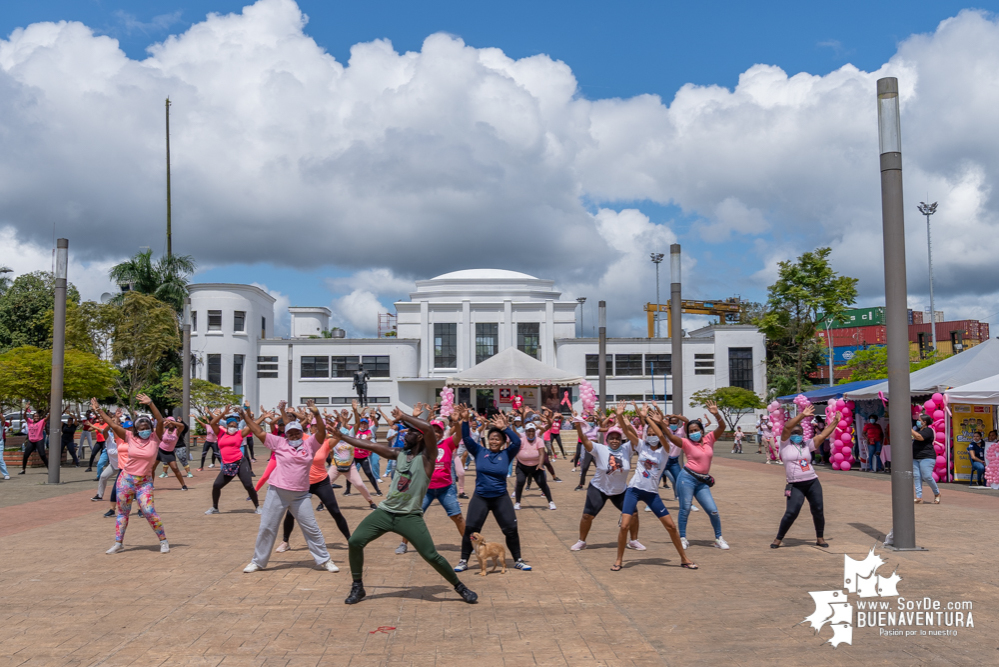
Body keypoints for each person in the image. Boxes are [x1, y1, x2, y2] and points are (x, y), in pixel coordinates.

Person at [339, 407, 478, 605]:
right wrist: (342, 437)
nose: (406, 433)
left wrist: (405, 416)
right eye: (406, 430)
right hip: (385, 512)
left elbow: (429, 430)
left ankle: (459, 587)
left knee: (431, 555)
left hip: (409, 516)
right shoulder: (399, 453)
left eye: (411, 432)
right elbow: (368, 444)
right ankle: (357, 586)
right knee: (355, 542)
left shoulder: (428, 457)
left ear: (420, 437)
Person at [240, 402, 339, 573]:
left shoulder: (310, 445)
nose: (293, 435)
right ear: (285, 434)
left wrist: (316, 414)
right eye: (290, 433)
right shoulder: (279, 443)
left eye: (297, 432)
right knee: (267, 527)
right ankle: (258, 561)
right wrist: (247, 418)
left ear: (302, 433)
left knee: (311, 528)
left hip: (301, 495)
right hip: (277, 492)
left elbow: (322, 432)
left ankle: (324, 560)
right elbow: (258, 431)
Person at [612, 405, 696, 571]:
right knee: (624, 526)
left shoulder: (665, 450)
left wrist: (650, 420)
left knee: (671, 527)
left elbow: (661, 435)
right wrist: (620, 417)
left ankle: (684, 558)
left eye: (653, 434)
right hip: (634, 490)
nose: (651, 437)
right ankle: (619, 560)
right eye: (648, 434)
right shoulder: (641, 445)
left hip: (651, 494)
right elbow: (626, 432)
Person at [454, 411, 532, 573]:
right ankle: (463, 560)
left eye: (497, 438)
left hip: (500, 498)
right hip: (480, 497)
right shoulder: (480, 451)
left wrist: (506, 428)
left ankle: (518, 559)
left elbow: (517, 442)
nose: (493, 441)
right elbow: (467, 439)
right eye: (491, 438)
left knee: (510, 529)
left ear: (503, 442)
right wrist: (465, 421)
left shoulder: (506, 453)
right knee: (471, 530)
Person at [91, 395, 170, 554]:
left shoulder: (155, 437)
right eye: (141, 428)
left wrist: (151, 403)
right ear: (135, 429)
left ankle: (163, 541)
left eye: (147, 426)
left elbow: (160, 421)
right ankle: (118, 543)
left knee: (148, 511)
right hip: (125, 480)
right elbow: (113, 424)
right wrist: (99, 410)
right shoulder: (129, 437)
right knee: (123, 513)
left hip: (144, 482)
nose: (144, 430)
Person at [274, 415, 352, 554]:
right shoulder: (303, 439)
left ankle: (350, 540)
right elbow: (290, 427)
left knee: (335, 511)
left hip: (321, 482)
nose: (317, 428)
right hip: (303, 483)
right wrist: (282, 411)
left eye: (319, 426)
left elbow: (340, 436)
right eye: (315, 426)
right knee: (291, 513)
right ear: (311, 427)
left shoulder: (327, 443)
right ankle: (285, 542)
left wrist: (335, 430)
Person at [569, 407, 642, 552]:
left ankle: (634, 541)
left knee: (633, 514)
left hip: (620, 490)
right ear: (606, 439)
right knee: (587, 516)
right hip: (599, 489)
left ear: (621, 439)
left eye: (617, 438)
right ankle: (581, 541)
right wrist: (578, 426)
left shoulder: (627, 448)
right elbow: (584, 440)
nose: (614, 440)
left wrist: (625, 422)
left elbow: (635, 437)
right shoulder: (600, 448)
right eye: (611, 438)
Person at [770, 405, 840, 549]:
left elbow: (822, 435)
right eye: (794, 432)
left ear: (803, 434)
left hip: (812, 482)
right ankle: (778, 538)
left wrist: (835, 422)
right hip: (795, 484)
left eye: (799, 432)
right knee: (792, 512)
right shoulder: (785, 444)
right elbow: (787, 428)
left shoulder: (807, 445)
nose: (796, 434)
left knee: (818, 509)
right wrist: (802, 415)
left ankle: (820, 537)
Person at [662, 401, 729, 550]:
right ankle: (683, 538)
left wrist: (716, 414)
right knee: (685, 508)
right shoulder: (686, 442)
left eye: (696, 430)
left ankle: (719, 538)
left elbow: (722, 427)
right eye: (690, 431)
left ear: (702, 430)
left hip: (702, 481)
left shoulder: (710, 439)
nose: (693, 433)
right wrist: (662, 425)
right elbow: (672, 438)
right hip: (687, 478)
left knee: (713, 510)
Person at [395, 417, 466, 554]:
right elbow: (412, 433)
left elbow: (459, 435)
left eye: (439, 431)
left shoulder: (447, 443)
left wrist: (456, 422)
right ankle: (403, 544)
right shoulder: (421, 445)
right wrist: (414, 417)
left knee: (457, 516)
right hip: (424, 489)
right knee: (412, 516)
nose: (436, 433)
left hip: (446, 489)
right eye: (433, 430)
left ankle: (468, 544)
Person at [205, 409, 261, 515]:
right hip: (228, 465)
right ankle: (215, 508)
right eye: (231, 425)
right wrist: (223, 413)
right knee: (216, 485)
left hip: (240, 462)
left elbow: (253, 425)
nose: (233, 427)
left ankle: (257, 507)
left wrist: (262, 417)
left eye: (235, 426)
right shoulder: (220, 433)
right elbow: (212, 423)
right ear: (226, 426)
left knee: (248, 485)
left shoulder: (240, 433)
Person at [514, 422, 556, 510]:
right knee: (520, 482)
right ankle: (517, 502)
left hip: (536, 466)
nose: (531, 433)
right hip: (522, 466)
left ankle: (551, 502)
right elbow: (515, 450)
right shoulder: (521, 440)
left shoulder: (539, 440)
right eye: (529, 431)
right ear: (525, 432)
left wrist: (540, 465)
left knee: (542, 483)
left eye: (532, 431)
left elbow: (541, 453)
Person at [911, 415, 941, 504]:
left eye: (919, 420)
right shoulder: (917, 431)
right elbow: (915, 436)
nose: (918, 422)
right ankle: (919, 496)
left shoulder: (928, 430)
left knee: (927, 476)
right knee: (917, 476)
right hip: (916, 457)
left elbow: (920, 437)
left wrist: (910, 430)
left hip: (927, 457)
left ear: (924, 422)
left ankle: (937, 493)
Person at [156, 418, 189, 490]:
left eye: (172, 421)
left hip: (169, 452)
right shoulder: (165, 430)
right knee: (152, 468)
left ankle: (183, 485)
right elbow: (156, 431)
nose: (170, 423)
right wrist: (163, 424)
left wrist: (172, 422)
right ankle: (151, 485)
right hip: (160, 450)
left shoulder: (177, 431)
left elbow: (182, 425)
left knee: (175, 468)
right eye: (168, 422)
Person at [20, 405, 49, 474]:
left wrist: (51, 412)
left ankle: (49, 469)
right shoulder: (29, 422)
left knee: (42, 455)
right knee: (26, 455)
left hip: (39, 440)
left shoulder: (41, 422)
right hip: (31, 441)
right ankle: (23, 469)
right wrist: (26, 409)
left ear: (39, 417)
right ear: (33, 417)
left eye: (37, 416)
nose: (36, 417)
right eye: (35, 416)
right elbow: (24, 417)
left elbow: (47, 418)